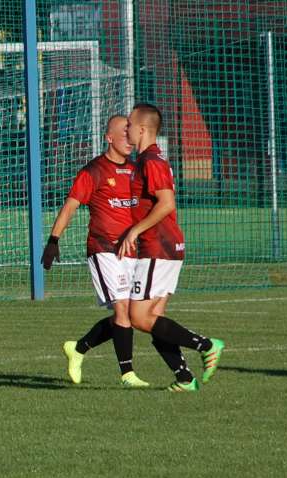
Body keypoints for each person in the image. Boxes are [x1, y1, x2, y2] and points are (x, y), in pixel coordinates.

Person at [119, 103, 225, 392]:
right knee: (155, 319)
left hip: (158, 246)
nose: (125, 128)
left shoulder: (151, 162)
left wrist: (136, 230)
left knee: (138, 316)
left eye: (128, 123)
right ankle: (184, 379)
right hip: (162, 247)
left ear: (142, 129)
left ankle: (206, 345)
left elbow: (166, 204)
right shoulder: (145, 160)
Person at [42, 115, 149, 388]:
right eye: (123, 133)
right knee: (123, 310)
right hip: (103, 249)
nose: (129, 138)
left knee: (127, 314)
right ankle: (128, 374)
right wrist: (53, 241)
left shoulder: (137, 170)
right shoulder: (94, 171)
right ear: (109, 138)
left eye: (131, 133)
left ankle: (78, 349)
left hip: (132, 251)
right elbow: (70, 206)